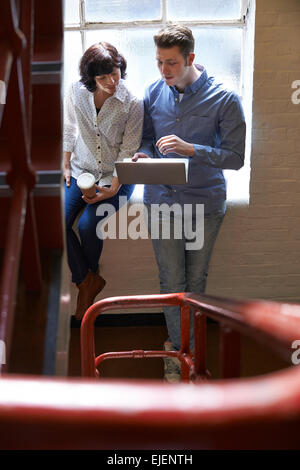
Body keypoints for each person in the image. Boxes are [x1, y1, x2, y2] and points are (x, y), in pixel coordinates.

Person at [133, 25, 246, 382]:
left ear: (190, 59)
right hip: (161, 201)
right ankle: (177, 353)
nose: (164, 70)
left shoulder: (225, 99)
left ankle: (192, 354)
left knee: (195, 281)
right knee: (170, 281)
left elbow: (235, 158)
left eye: (171, 63)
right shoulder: (152, 92)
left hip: (204, 203)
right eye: (159, 62)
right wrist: (141, 154)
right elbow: (148, 140)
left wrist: (191, 149)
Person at [63, 42, 143, 320]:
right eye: (103, 77)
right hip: (81, 169)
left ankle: (87, 284)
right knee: (58, 222)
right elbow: (70, 127)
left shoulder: (132, 103)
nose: (111, 81)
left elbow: (128, 149)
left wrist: (113, 189)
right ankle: (87, 281)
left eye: (116, 73)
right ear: (90, 79)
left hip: (117, 175)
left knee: (87, 225)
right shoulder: (75, 91)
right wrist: (65, 165)